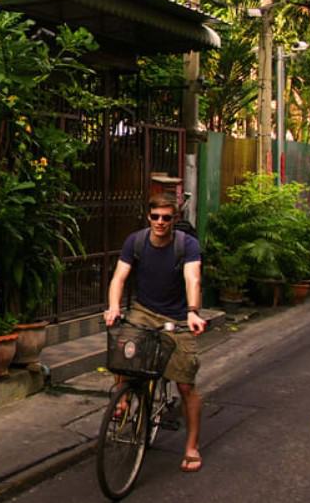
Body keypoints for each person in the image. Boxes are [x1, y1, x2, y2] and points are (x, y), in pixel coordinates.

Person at [103, 191, 207, 473]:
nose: (160, 222)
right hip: (144, 310)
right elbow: (119, 277)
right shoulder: (135, 242)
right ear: (148, 217)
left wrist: (193, 311)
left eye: (166, 218)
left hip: (177, 317)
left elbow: (192, 278)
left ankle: (191, 445)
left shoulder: (187, 246)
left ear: (175, 219)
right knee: (123, 345)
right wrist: (113, 307)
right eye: (155, 217)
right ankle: (123, 397)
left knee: (185, 384)